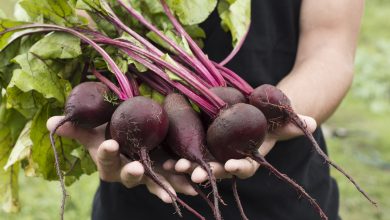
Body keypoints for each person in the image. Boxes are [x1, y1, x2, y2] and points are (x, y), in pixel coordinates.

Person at [47, 0, 364, 219]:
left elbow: (330, 46)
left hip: (286, 192)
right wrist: (103, 135)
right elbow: (87, 17)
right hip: (149, 179)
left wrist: (278, 120)